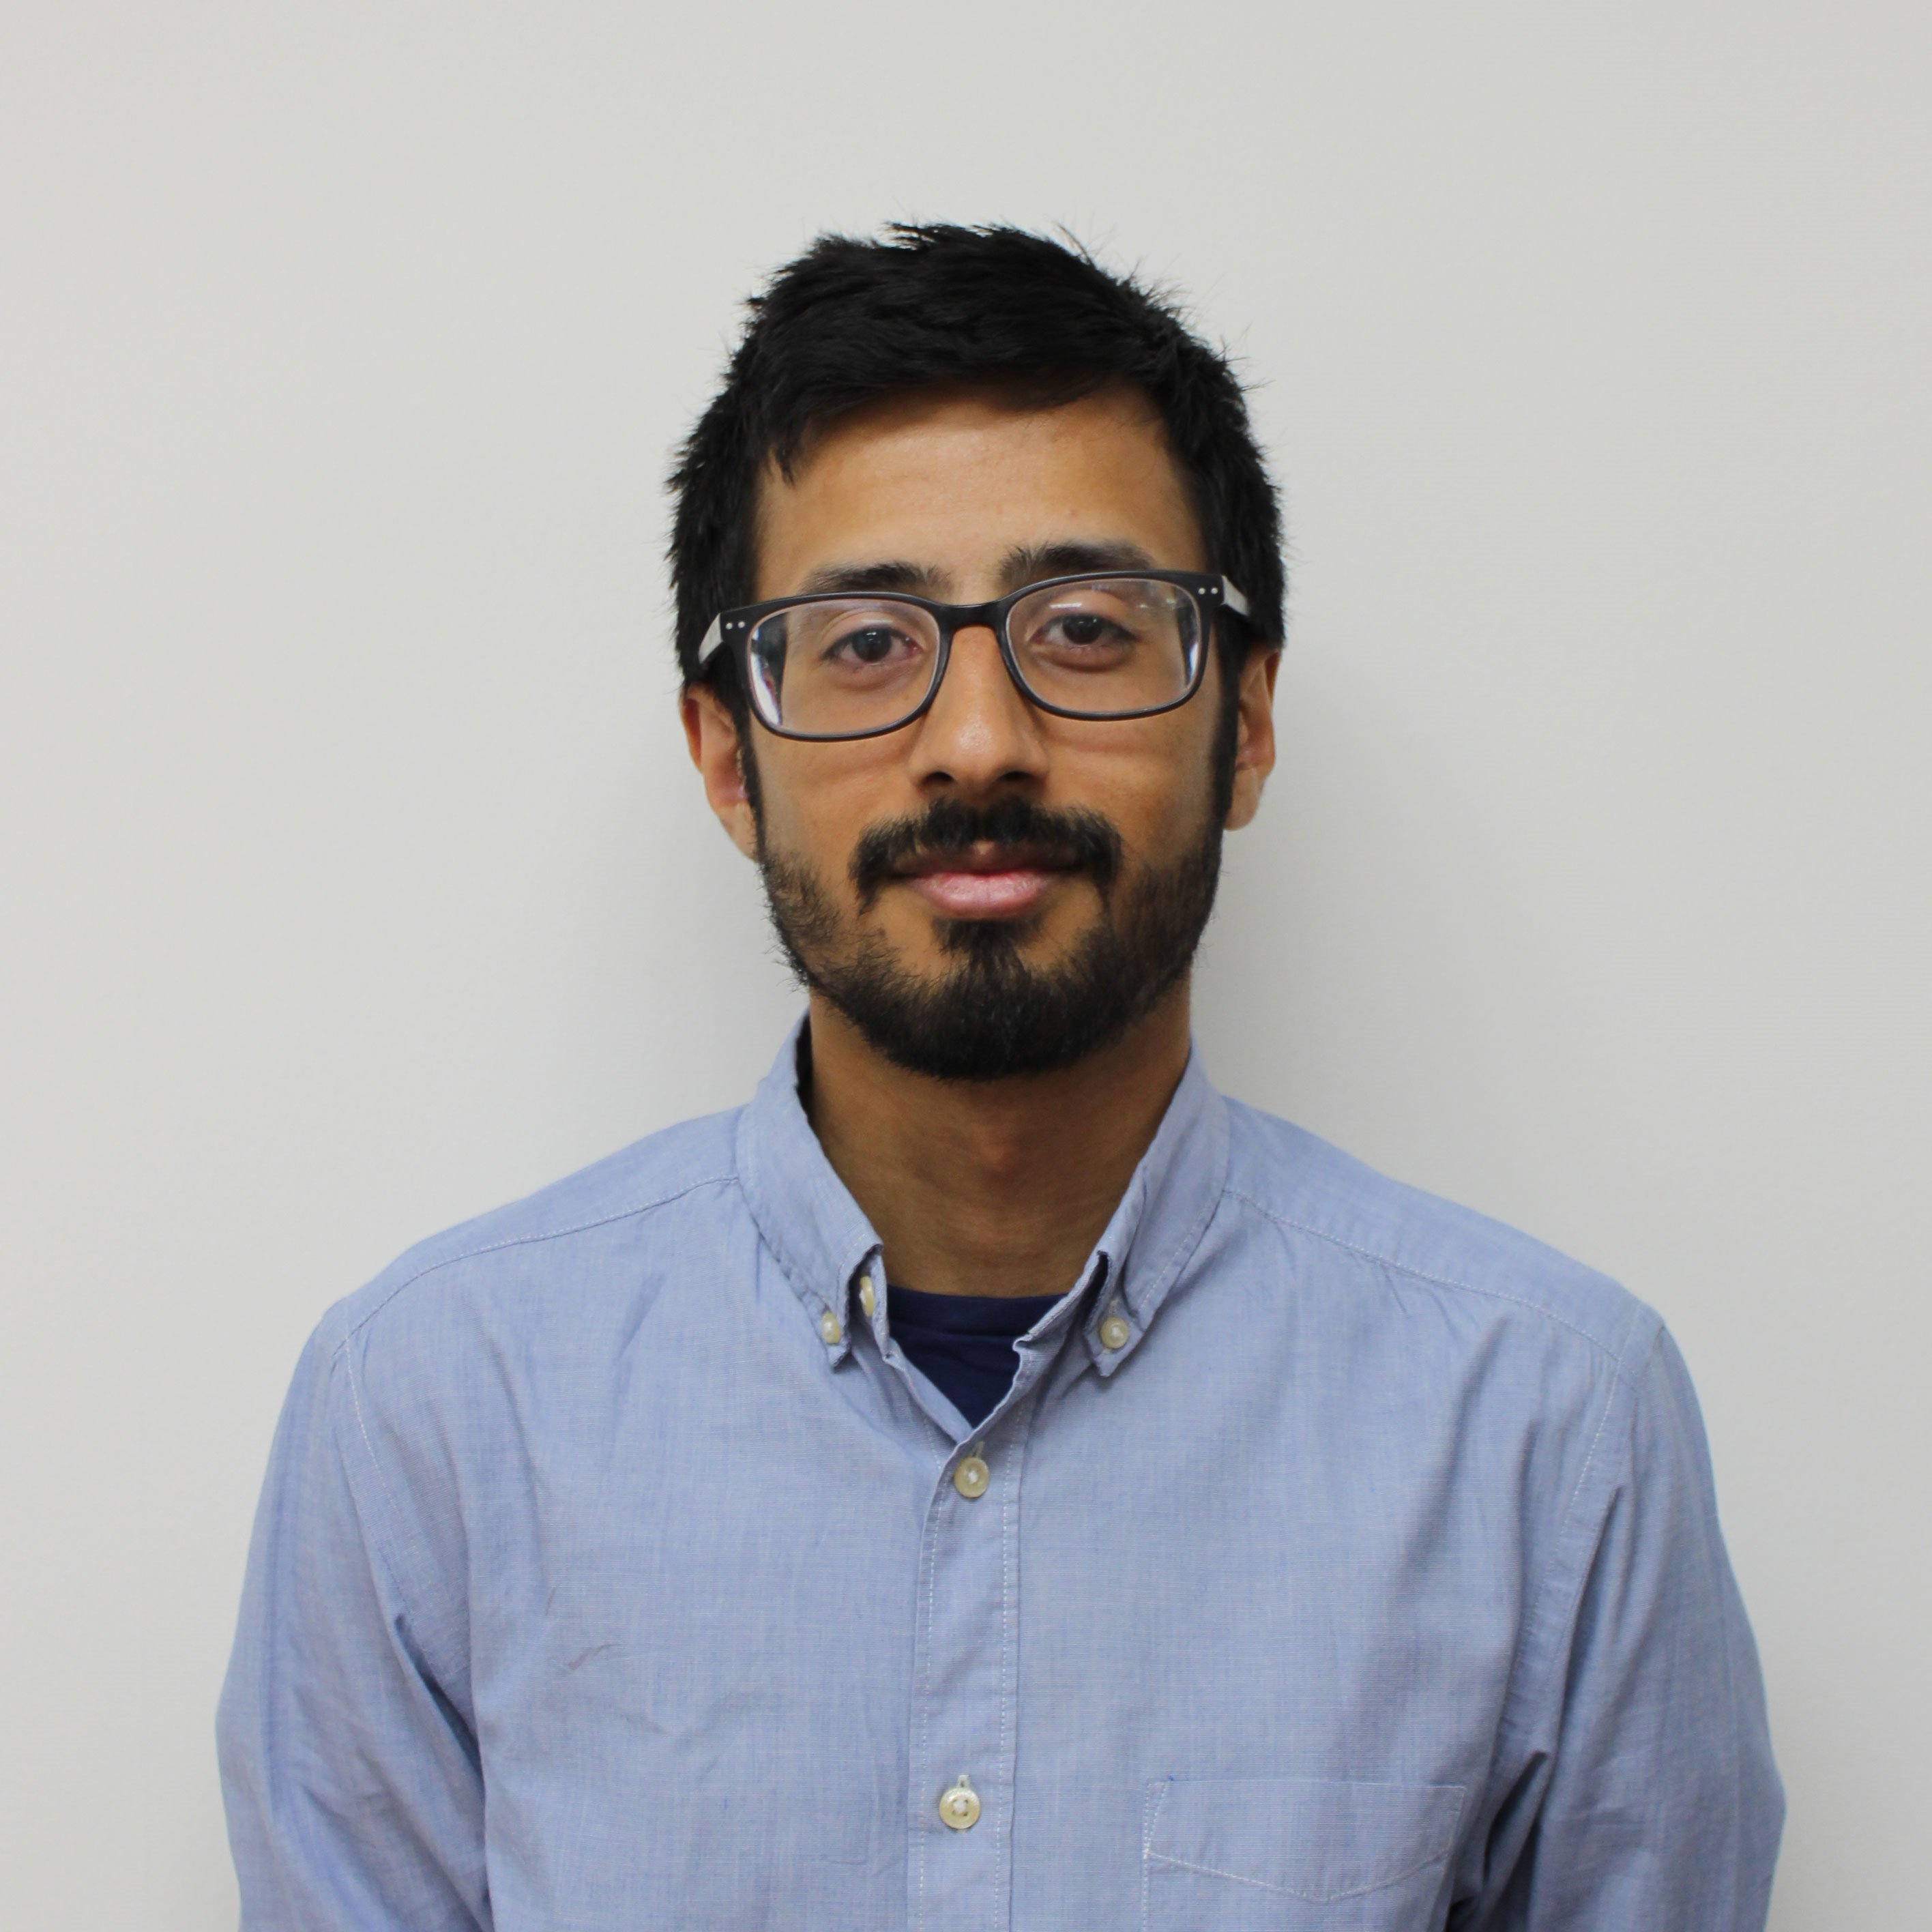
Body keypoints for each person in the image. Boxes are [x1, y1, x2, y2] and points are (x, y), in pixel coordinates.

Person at [217, 224, 1783, 1931]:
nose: (977, 743)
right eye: (864, 643)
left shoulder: (1552, 1428)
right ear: (727, 757)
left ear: (1246, 724)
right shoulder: (434, 1419)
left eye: (1089, 628)